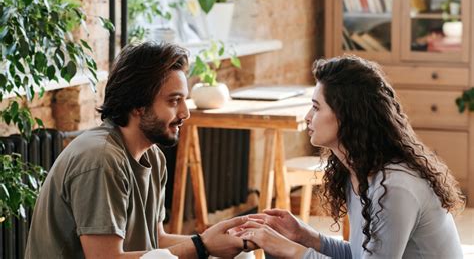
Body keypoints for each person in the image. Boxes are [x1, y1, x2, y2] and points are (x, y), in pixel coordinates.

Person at [25, 41, 249, 258]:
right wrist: (202, 247)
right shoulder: (101, 159)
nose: (185, 113)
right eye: (174, 101)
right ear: (139, 105)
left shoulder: (153, 156)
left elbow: (157, 241)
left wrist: (214, 240)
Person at [236, 55, 465, 258]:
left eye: (316, 108)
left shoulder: (395, 187)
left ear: (347, 116)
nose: (308, 117)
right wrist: (303, 236)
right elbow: (360, 255)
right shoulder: (357, 172)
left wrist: (289, 249)